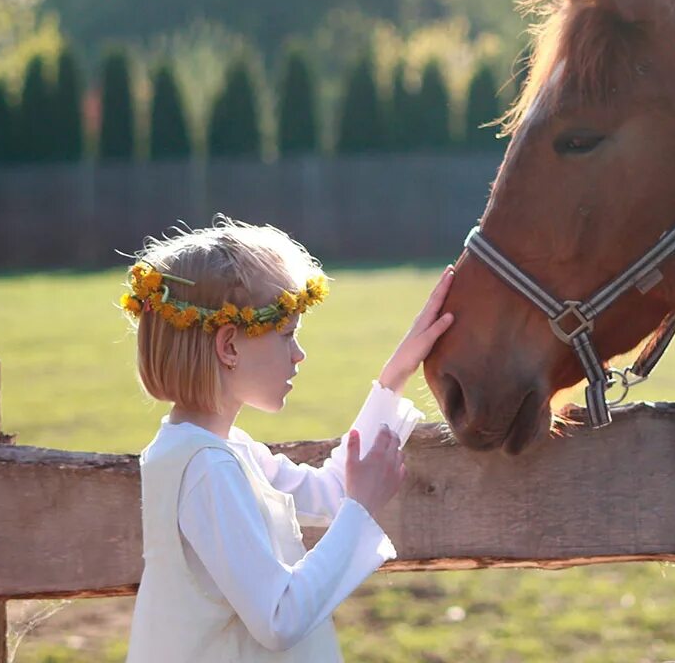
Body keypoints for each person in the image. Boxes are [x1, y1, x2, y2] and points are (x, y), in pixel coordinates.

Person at [120, 217, 454, 662]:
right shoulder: (207, 468)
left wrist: (395, 376)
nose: (299, 354)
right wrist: (362, 510)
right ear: (229, 347)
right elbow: (279, 618)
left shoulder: (222, 450)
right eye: (287, 334)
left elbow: (330, 491)